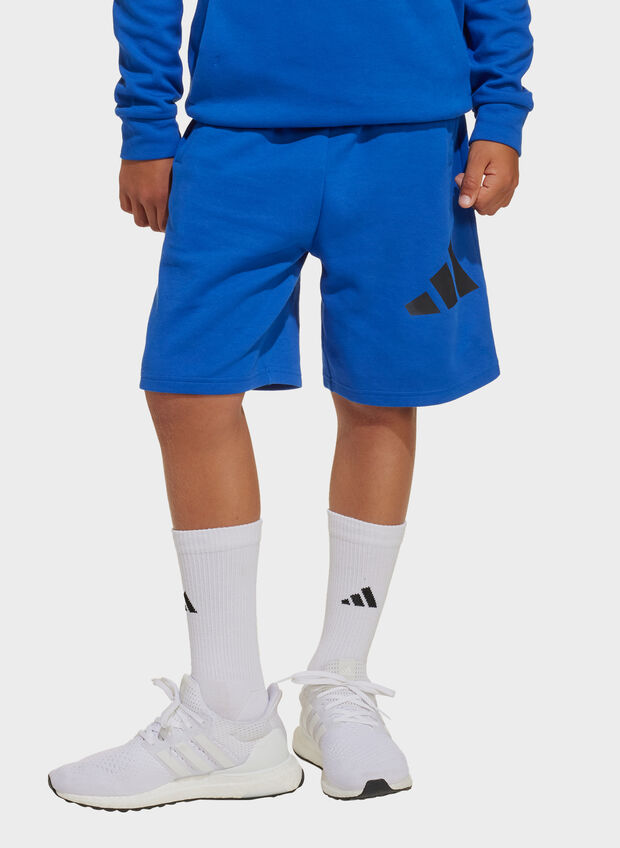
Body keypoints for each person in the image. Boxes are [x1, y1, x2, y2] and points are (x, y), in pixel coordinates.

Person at [48, 0, 533, 807]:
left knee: (381, 394)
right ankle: (229, 714)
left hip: (413, 139)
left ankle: (340, 683)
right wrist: (145, 123)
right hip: (236, 133)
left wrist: (503, 112)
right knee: (187, 387)